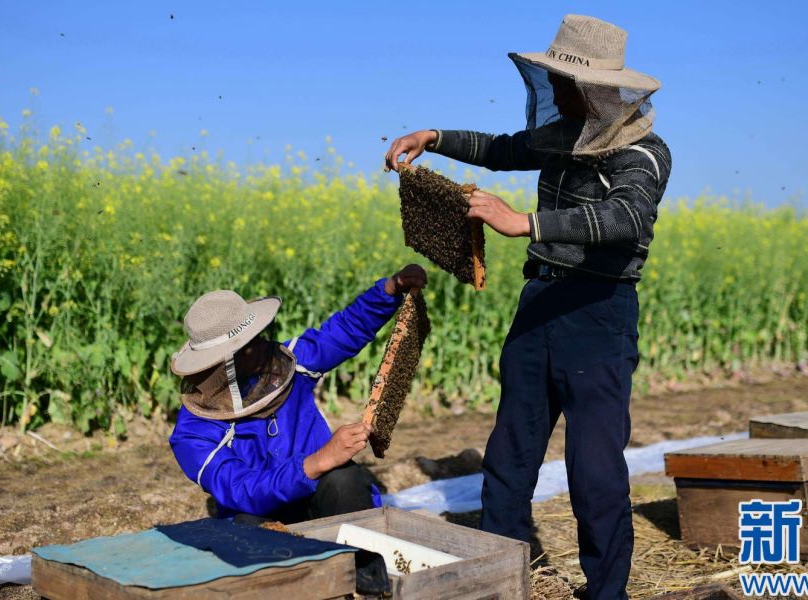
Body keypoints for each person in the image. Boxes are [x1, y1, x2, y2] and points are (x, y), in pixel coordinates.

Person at [385, 15, 671, 599]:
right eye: (555, 80)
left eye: (568, 83)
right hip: (539, 303)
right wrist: (434, 137)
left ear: (601, 90)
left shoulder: (644, 153)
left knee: (594, 473)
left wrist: (525, 223)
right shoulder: (562, 134)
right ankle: (497, 579)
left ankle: (606, 591)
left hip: (598, 312)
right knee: (510, 455)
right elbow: (499, 149)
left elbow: (627, 219)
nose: (558, 92)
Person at [169, 264, 427, 524]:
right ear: (221, 364)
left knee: (344, 481)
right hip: (261, 512)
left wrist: (390, 289)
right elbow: (240, 489)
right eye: (248, 346)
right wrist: (316, 462)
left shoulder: (288, 364)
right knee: (247, 526)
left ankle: (364, 563)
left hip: (317, 497)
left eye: (258, 336)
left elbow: (342, 332)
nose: (263, 347)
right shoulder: (191, 434)